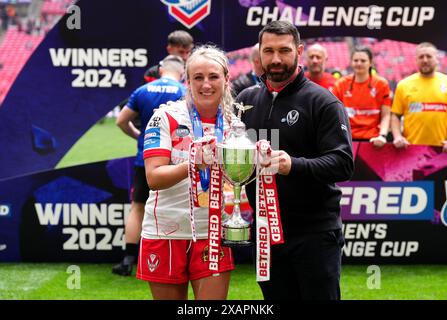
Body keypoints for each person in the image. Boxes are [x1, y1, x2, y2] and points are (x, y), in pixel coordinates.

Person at [237, 20, 354, 300]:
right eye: (269, 51)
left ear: (298, 51)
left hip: (314, 233)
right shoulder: (244, 101)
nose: (276, 59)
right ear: (259, 55)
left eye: (284, 50)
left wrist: (294, 165)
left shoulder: (322, 102)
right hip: (265, 233)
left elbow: (343, 163)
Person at [136, 45, 235, 300]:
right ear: (187, 81)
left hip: (213, 231)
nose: (206, 85)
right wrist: (192, 164)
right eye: (198, 78)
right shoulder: (165, 117)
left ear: (226, 79)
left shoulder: (235, 123)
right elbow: (153, 178)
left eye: (213, 77)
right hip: (166, 229)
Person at [112, 55, 186, 276]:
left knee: (138, 207)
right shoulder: (185, 91)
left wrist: (139, 137)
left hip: (147, 160)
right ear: (181, 72)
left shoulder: (143, 90)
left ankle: (127, 260)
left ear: (161, 70)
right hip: (177, 163)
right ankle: (173, 260)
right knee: (176, 207)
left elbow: (121, 121)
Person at [391, 42, 447, 152]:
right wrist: (398, 136)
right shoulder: (404, 85)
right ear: (416, 60)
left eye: (429, 56)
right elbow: (395, 116)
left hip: (443, 151)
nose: (425, 60)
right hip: (411, 149)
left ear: (437, 59)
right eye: (421, 57)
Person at [332, 45, 391, 148]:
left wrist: (382, 135)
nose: (359, 63)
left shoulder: (382, 84)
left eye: (363, 61)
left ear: (370, 62)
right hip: (347, 140)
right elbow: (334, 115)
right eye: (356, 60)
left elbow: (386, 115)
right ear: (351, 62)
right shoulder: (340, 84)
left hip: (374, 140)